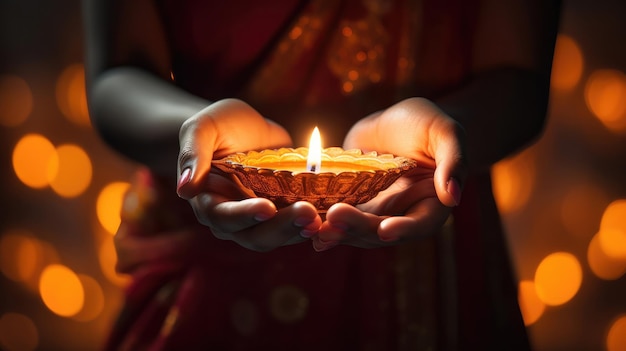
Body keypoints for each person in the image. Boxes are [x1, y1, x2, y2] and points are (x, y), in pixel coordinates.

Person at [82, 0, 561, 350]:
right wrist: (197, 140)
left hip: (425, 232)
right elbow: (114, 77)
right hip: (212, 246)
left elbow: (519, 76)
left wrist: (447, 136)